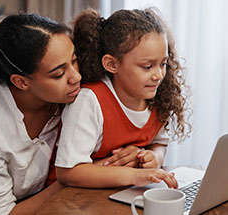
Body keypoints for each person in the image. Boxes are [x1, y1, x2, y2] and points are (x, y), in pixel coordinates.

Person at [0, 13, 81, 215]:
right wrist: (71, 179)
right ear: (21, 82)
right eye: (58, 74)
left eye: (74, 60)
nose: (76, 77)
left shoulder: (71, 93)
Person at [55, 8, 191, 188]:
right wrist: (134, 175)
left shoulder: (156, 95)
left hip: (124, 193)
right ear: (112, 64)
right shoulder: (89, 100)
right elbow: (67, 172)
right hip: (76, 198)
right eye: (147, 66)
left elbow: (159, 143)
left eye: (163, 64)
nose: (159, 75)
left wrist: (154, 159)